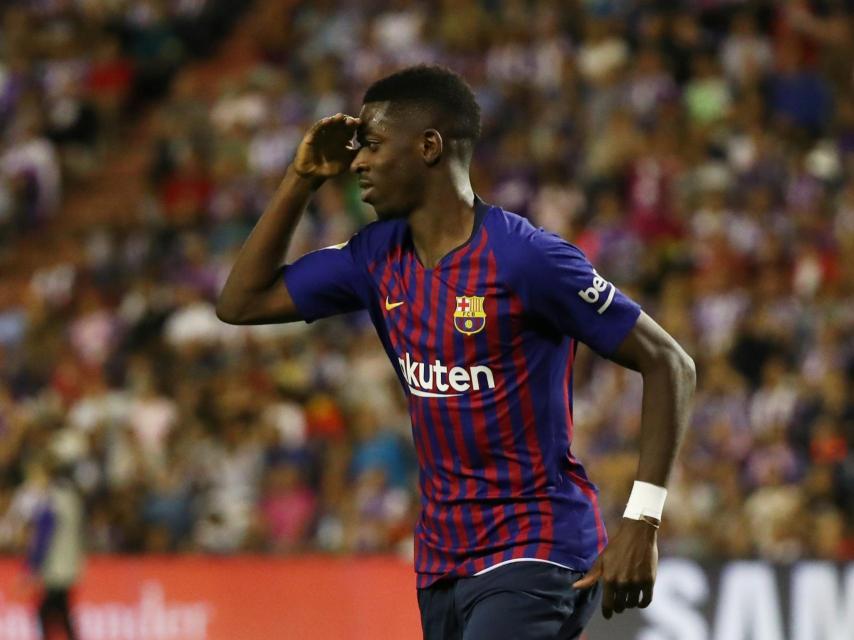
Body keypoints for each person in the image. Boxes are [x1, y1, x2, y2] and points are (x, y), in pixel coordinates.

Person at [217, 65, 696, 640]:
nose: (358, 163)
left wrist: (642, 519)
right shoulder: (376, 257)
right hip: (442, 560)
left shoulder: (526, 258)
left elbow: (670, 362)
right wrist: (300, 178)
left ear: (428, 147)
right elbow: (241, 303)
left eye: (372, 144)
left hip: (535, 546)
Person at [24, 457, 84, 640]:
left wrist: (32, 567)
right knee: (61, 610)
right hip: (70, 565)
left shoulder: (50, 502)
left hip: (55, 567)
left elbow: (43, 537)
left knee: (45, 612)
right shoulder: (72, 498)